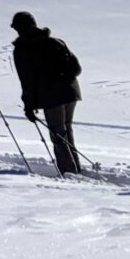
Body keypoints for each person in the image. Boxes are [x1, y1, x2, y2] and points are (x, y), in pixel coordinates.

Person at [11, 11, 84, 174]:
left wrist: (28, 106)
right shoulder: (56, 41)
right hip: (71, 91)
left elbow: (27, 81)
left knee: (58, 134)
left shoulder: (22, 49)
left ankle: (69, 172)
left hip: (51, 96)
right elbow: (76, 68)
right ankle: (75, 169)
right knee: (66, 130)